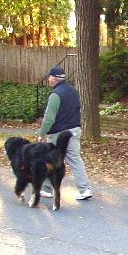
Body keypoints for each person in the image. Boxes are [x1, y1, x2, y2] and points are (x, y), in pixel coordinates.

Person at [37, 67, 93, 200]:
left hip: (58, 133)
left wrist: (42, 133)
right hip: (74, 130)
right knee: (75, 159)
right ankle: (85, 189)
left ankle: (46, 189)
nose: (48, 79)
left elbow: (49, 118)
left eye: (49, 77)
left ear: (53, 78)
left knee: (50, 159)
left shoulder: (56, 95)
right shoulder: (73, 91)